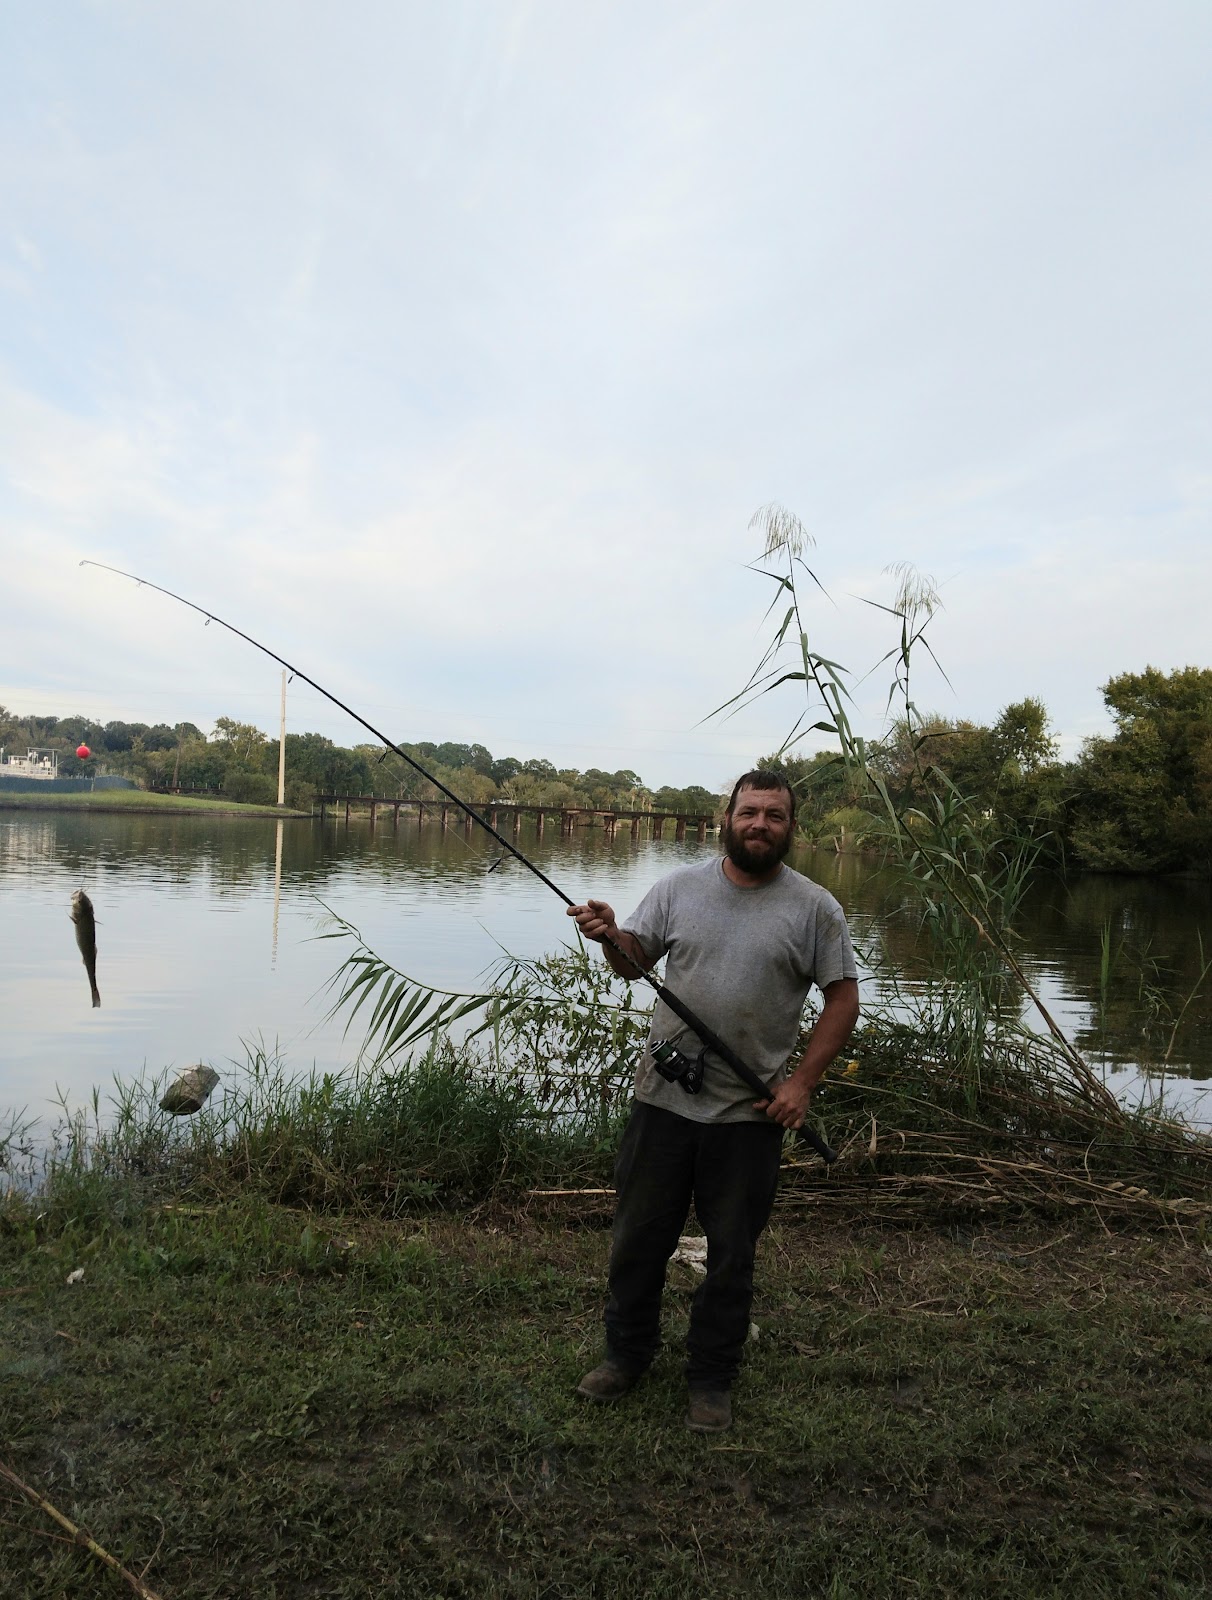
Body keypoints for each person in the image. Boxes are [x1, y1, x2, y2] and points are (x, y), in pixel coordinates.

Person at [566, 769, 860, 1433]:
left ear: (791, 828)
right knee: (638, 1239)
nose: (759, 824)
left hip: (748, 1117)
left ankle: (711, 1376)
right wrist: (614, 934)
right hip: (662, 1102)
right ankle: (625, 1355)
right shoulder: (677, 888)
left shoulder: (815, 908)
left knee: (732, 1254)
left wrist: (801, 1083)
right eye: (749, 812)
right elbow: (634, 962)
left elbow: (843, 999)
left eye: (774, 816)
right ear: (726, 818)